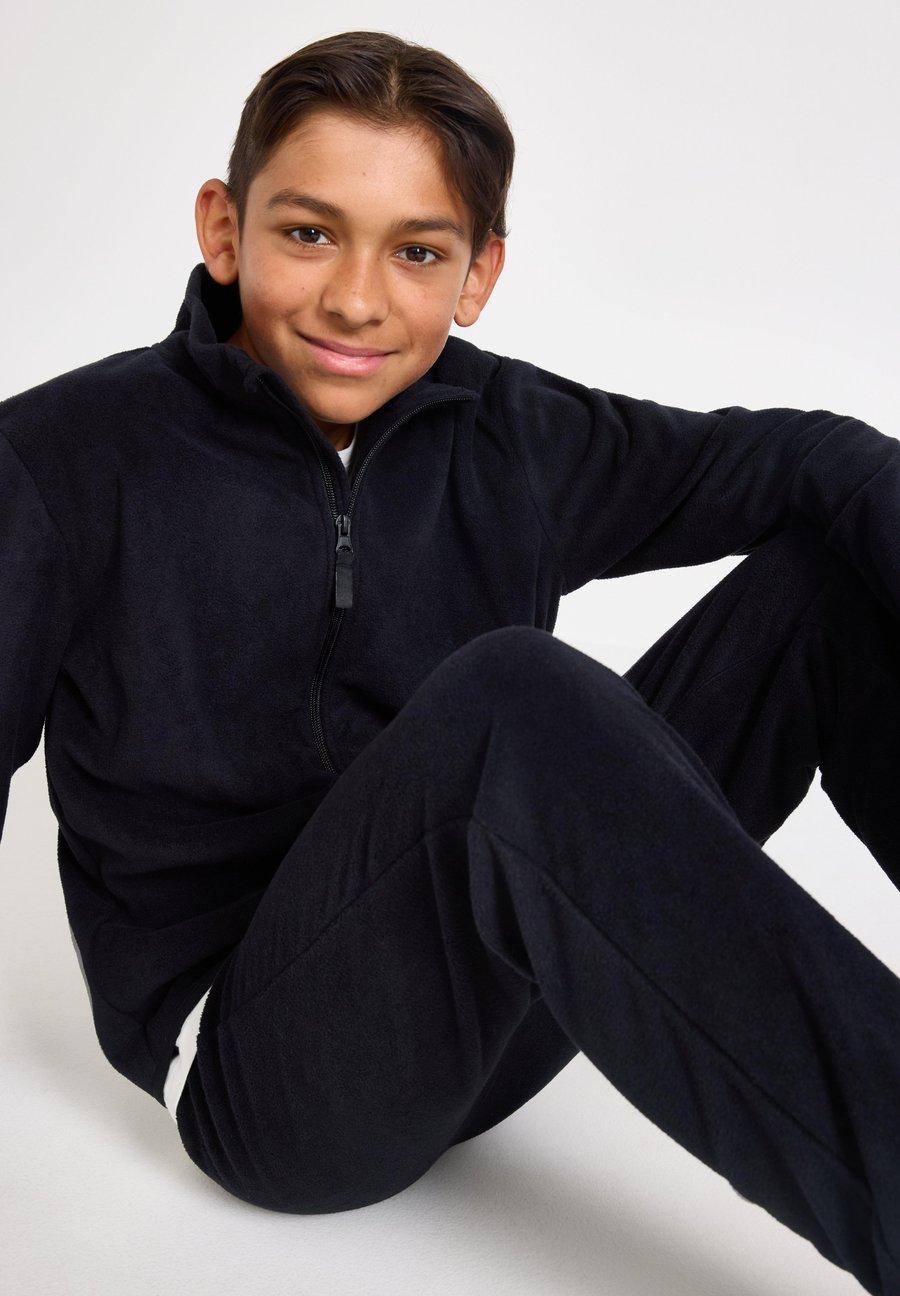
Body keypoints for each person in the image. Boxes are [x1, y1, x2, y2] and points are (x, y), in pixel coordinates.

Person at [3, 27, 900, 1295]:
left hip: (498, 1009)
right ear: (223, 228)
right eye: (309, 233)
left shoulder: (508, 434)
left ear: (478, 273)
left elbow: (816, 462)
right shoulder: (63, 460)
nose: (356, 299)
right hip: (270, 1084)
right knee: (512, 696)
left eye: (417, 252)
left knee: (821, 586)